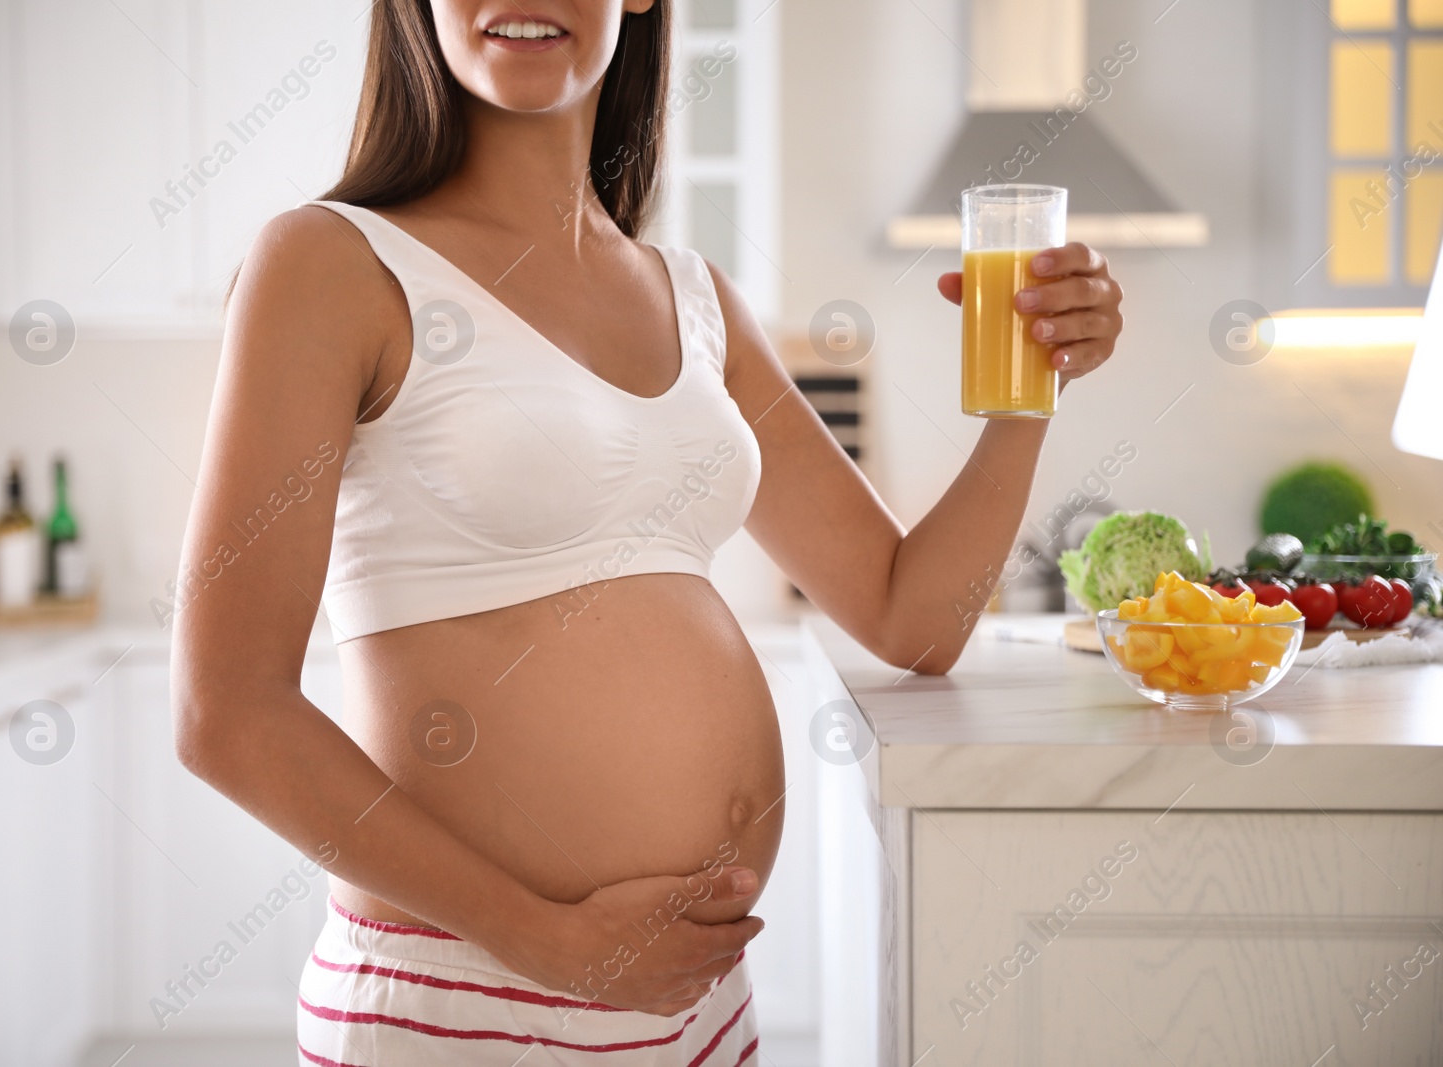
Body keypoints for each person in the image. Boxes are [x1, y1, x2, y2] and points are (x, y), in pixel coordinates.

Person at [171, 0, 1125, 1063]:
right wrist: (550, 942)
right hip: (472, 997)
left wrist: (1029, 382)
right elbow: (226, 712)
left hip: (696, 1004)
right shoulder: (331, 263)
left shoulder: (697, 298)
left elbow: (911, 616)